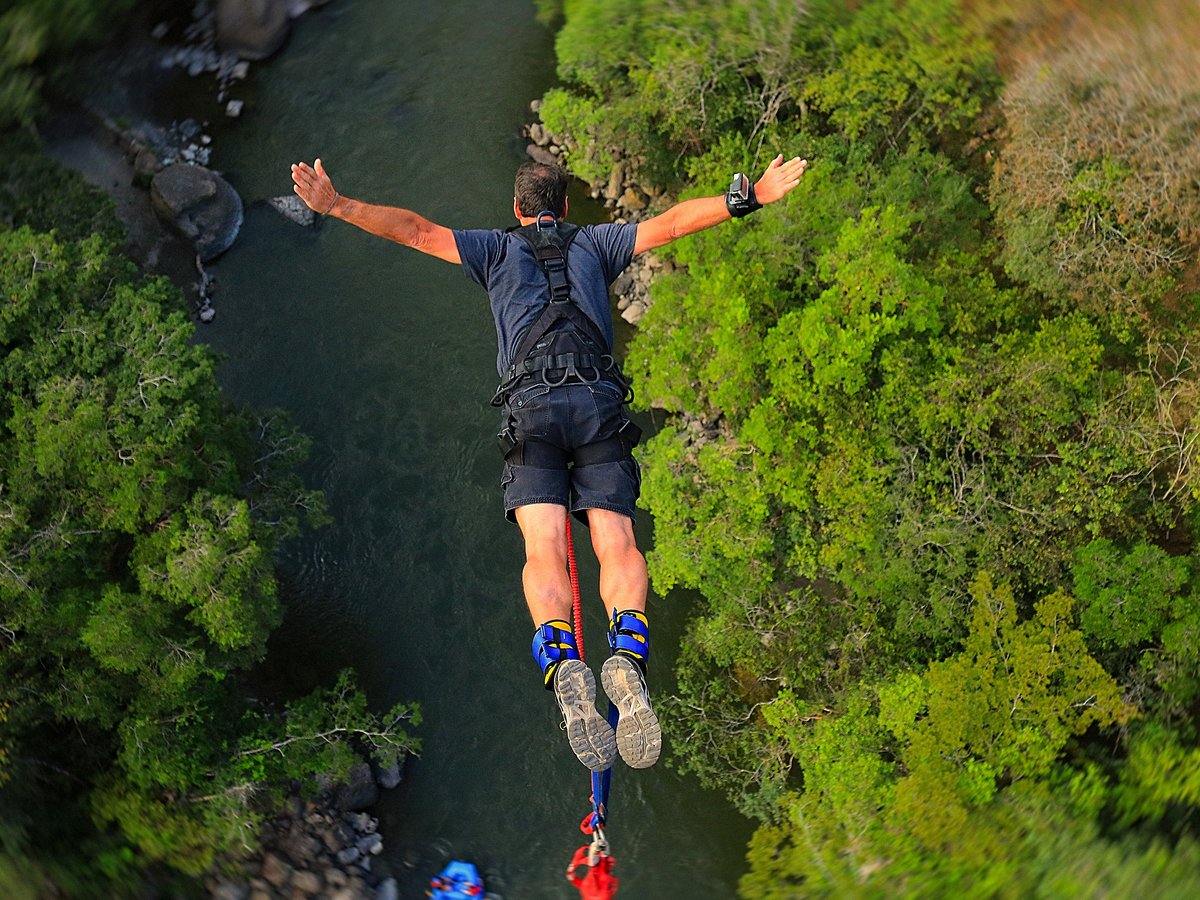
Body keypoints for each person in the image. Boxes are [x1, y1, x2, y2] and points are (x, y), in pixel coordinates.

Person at [290, 152, 808, 773]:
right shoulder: (597, 241)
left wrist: (338, 205)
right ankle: (626, 657)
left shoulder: (493, 250)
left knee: (544, 549)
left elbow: (416, 230)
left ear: (516, 210)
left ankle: (563, 663)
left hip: (532, 410)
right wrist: (749, 197)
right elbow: (670, 224)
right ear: (565, 207)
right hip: (595, 405)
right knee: (615, 541)